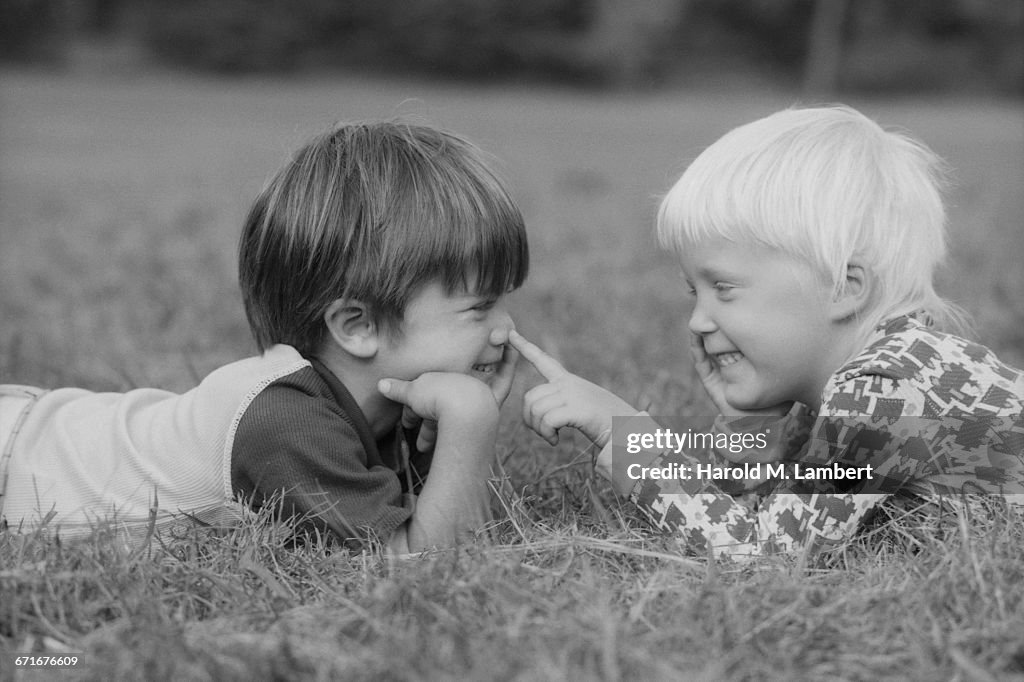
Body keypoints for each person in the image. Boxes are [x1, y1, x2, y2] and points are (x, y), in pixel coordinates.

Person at [511, 105, 1023, 560]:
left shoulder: (883, 392)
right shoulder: (868, 382)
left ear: (842, 289)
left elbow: (762, 550)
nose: (698, 320)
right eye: (695, 293)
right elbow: (777, 508)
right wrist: (747, 424)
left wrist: (622, 431)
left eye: (725, 288)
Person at [0, 121, 528, 553]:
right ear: (357, 327)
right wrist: (470, 422)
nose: (506, 329)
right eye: (480, 308)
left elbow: (443, 512)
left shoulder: (378, 406)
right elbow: (426, 566)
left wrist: (607, 428)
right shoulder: (286, 422)